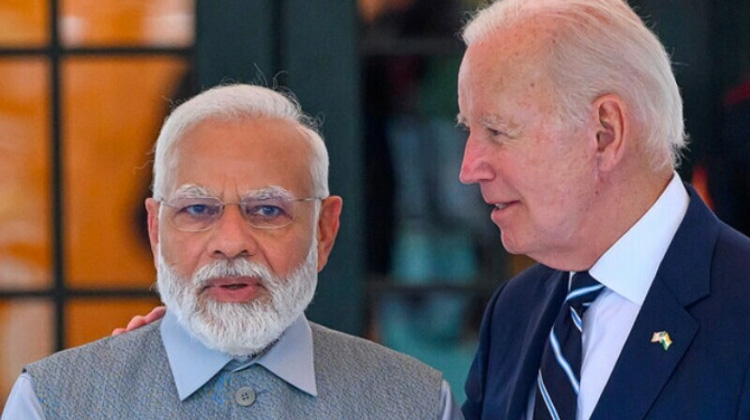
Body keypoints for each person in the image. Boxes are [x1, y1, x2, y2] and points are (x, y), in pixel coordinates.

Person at [1, 84, 462, 419]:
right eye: (198, 209)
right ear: (156, 230)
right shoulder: (52, 402)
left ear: (324, 230)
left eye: (267, 210)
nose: (231, 242)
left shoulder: (416, 403)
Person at [456, 0, 750, 419]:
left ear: (605, 132)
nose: (469, 169)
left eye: (497, 131)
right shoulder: (513, 311)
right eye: (469, 130)